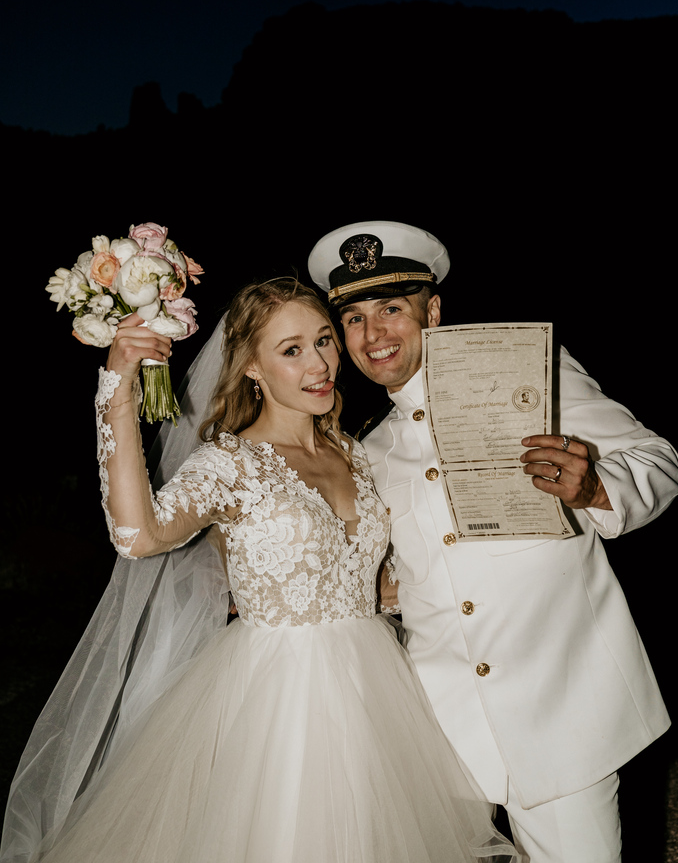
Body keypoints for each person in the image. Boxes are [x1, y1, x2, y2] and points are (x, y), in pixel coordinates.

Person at [1, 278, 517, 863]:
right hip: (279, 700)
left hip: (379, 692)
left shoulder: (353, 452)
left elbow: (374, 582)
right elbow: (137, 536)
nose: (320, 365)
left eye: (323, 340)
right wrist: (117, 388)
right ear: (251, 366)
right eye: (291, 350)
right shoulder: (231, 463)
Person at [308, 222, 678, 863]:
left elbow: (660, 461)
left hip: (560, 708)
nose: (373, 335)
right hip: (438, 731)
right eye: (354, 319)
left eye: (391, 308)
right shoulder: (364, 451)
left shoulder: (529, 378)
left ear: (432, 312)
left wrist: (598, 487)